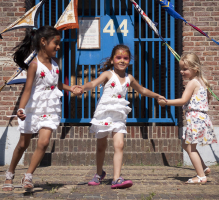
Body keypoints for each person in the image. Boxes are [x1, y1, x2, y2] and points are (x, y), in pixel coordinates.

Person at [74, 45, 166, 189]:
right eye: (118, 57)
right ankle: (99, 173)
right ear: (112, 60)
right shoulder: (108, 75)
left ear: (129, 60)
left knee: (119, 145)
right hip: (104, 112)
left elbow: (141, 90)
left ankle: (116, 178)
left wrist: (156, 95)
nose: (122, 60)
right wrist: (82, 87)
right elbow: (93, 83)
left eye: (125, 58)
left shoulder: (129, 78)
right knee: (101, 146)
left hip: (119, 115)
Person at [2, 26, 80, 191]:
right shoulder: (34, 65)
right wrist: (21, 109)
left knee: (44, 142)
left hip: (51, 107)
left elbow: (54, 82)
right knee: (23, 144)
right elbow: (27, 89)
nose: (58, 47)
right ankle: (10, 172)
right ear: (43, 42)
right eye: (56, 43)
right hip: (34, 107)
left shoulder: (56, 62)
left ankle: (28, 175)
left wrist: (70, 88)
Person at [158, 52, 217, 184]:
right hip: (200, 118)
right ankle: (204, 168)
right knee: (186, 144)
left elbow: (183, 101)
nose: (181, 72)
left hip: (195, 119)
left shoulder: (192, 83)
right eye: (181, 69)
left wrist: (166, 102)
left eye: (185, 69)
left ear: (195, 68)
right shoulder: (201, 81)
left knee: (191, 148)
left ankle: (201, 176)